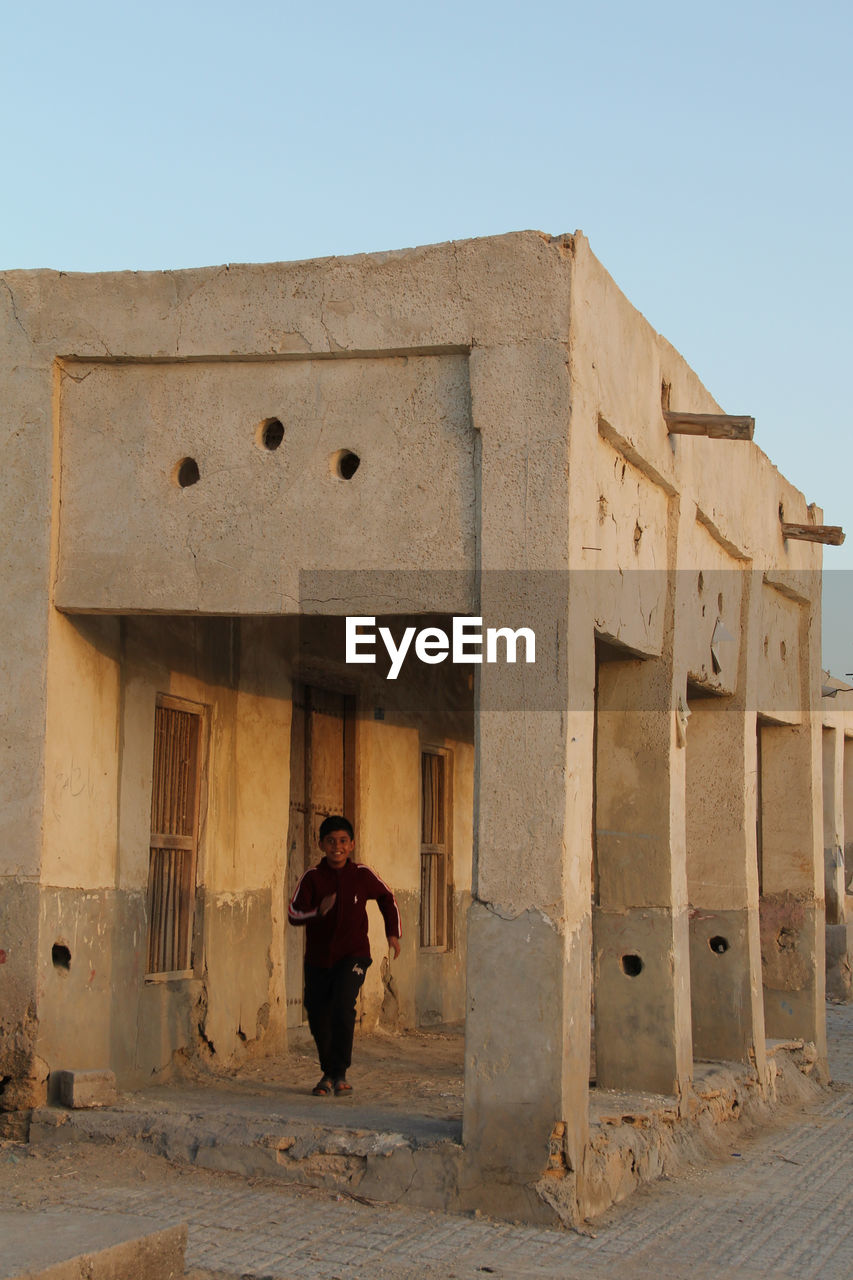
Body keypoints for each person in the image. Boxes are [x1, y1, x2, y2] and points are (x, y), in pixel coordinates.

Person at [287, 814, 401, 1096]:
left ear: (351, 844)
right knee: (317, 1013)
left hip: (354, 956)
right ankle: (328, 1072)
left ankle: (339, 1073)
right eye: (330, 841)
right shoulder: (312, 878)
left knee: (342, 1006)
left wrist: (393, 933)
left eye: (342, 841)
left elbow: (387, 897)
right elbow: (293, 913)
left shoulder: (362, 875)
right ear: (321, 845)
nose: (336, 846)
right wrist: (318, 912)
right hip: (318, 960)